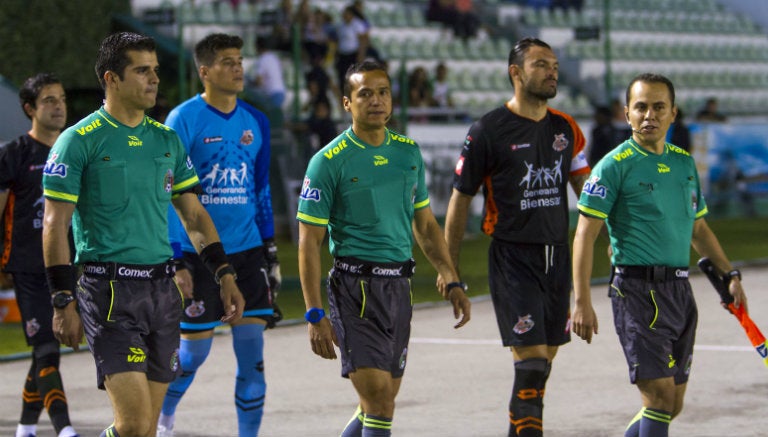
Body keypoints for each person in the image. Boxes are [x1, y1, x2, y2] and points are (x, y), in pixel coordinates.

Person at [41, 32, 245, 437]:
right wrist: (62, 299)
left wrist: (224, 273)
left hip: (162, 291)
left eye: (155, 70)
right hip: (109, 291)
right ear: (111, 78)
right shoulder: (78, 141)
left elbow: (194, 216)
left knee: (144, 430)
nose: (154, 79)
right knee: (134, 426)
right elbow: (54, 224)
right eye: (141, 71)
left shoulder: (167, 141)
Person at [296, 60, 471, 437]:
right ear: (346, 103)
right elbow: (308, 240)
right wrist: (314, 313)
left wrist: (450, 277)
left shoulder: (407, 153)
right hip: (354, 290)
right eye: (365, 94)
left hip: (398, 290)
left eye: (383, 92)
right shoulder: (328, 161)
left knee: (378, 403)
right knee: (380, 403)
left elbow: (424, 223)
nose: (376, 101)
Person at [571, 73, 748, 437]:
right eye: (640, 107)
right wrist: (581, 301)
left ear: (672, 113)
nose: (649, 114)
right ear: (627, 113)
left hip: (680, 294)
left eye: (658, 107)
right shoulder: (613, 166)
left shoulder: (684, 164)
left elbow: (699, 230)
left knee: (672, 404)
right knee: (659, 399)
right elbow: (585, 236)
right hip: (637, 293)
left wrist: (730, 275)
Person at [441, 37, 591, 437]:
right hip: (513, 259)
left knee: (541, 372)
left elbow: (589, 194)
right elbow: (459, 202)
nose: (552, 71)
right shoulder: (488, 130)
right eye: (541, 64)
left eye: (554, 64)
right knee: (531, 367)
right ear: (516, 73)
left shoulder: (565, 128)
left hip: (557, 258)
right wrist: (449, 268)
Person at [156, 33, 281, 437]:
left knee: (253, 357)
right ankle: (163, 418)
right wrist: (176, 257)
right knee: (193, 354)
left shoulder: (256, 120)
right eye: (228, 61)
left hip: (247, 253)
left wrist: (270, 249)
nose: (238, 67)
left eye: (240, 60)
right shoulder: (183, 119)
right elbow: (172, 195)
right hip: (199, 255)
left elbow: (260, 189)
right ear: (204, 71)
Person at [1, 73, 79, 437]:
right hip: (29, 269)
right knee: (46, 346)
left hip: (69, 265)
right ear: (30, 108)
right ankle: (65, 429)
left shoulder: (75, 149)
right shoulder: (13, 154)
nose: (59, 105)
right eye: (49, 100)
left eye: (61, 98)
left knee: (46, 348)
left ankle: (25, 427)